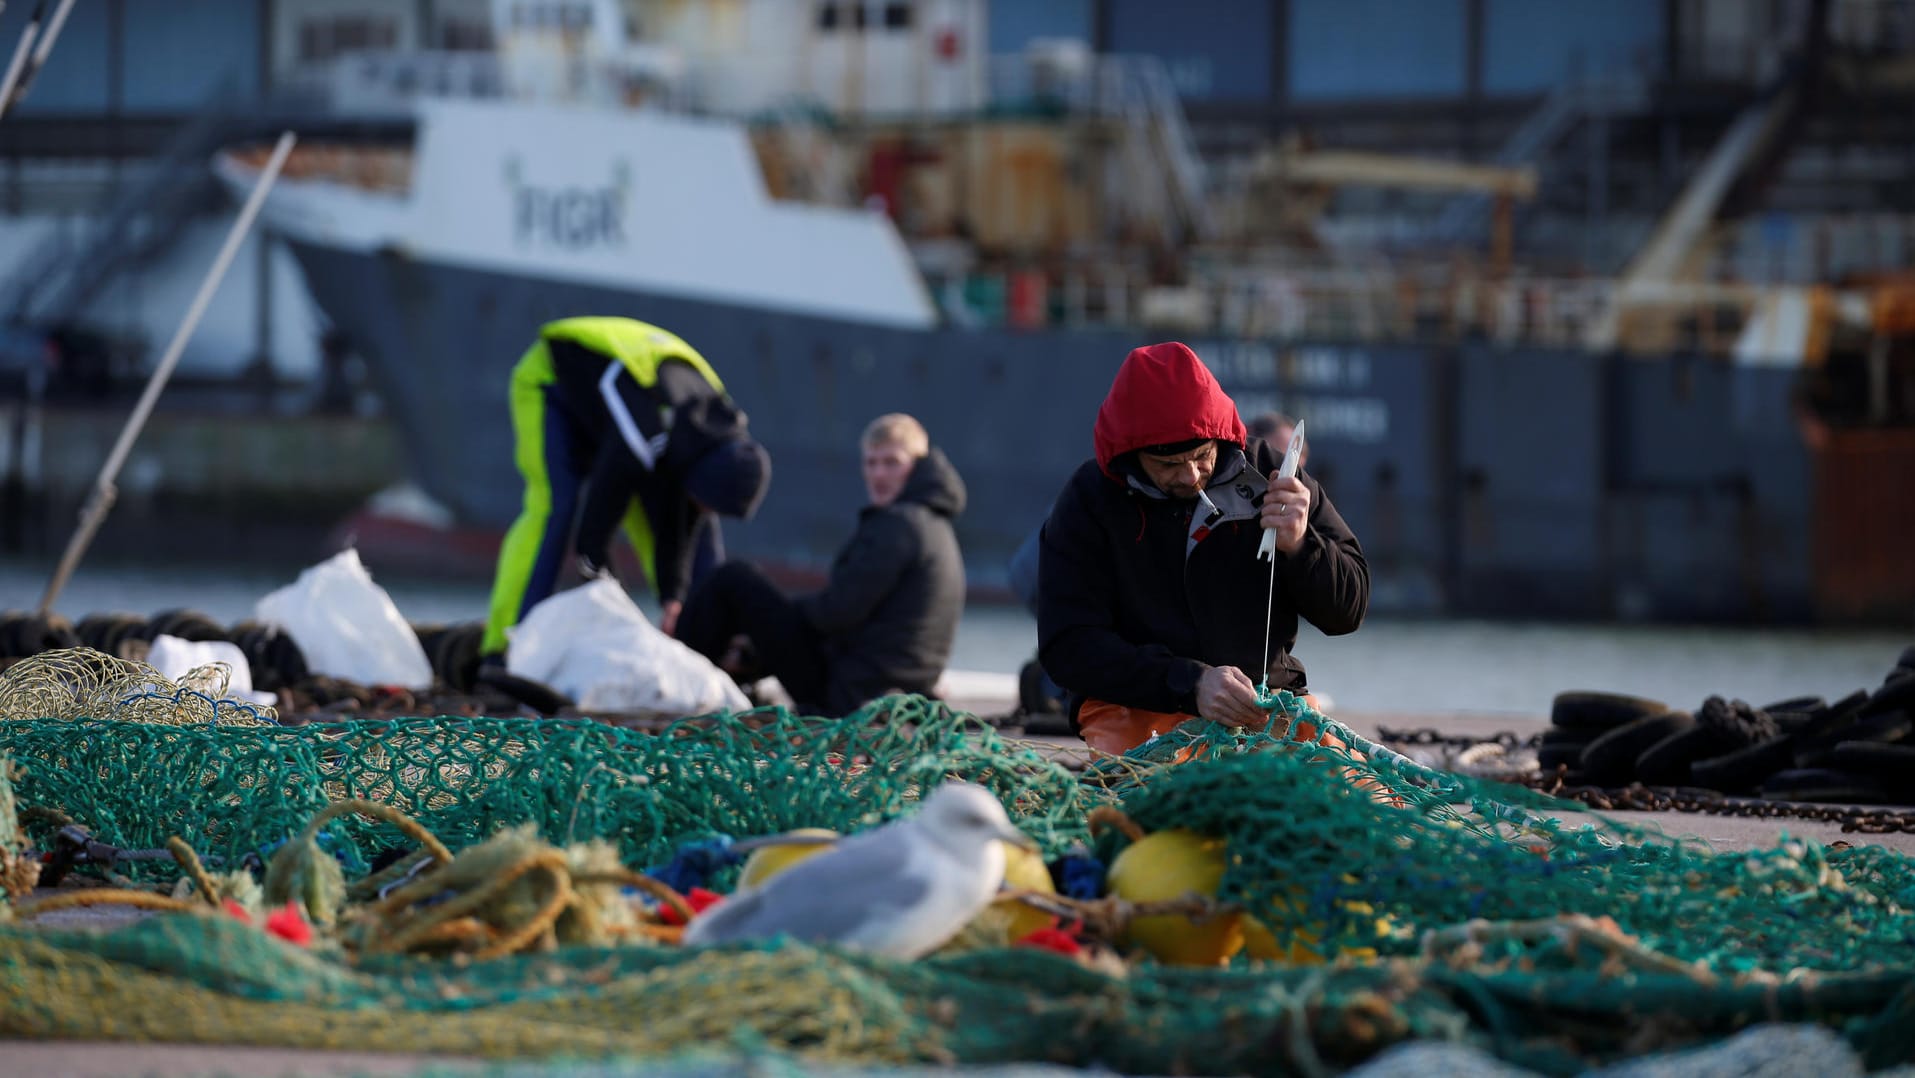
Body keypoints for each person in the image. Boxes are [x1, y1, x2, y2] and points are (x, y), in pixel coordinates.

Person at [1037, 342, 1369, 755]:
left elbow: (1348, 612)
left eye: (1201, 456)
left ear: (1221, 437)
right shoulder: (1090, 500)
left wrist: (1302, 545)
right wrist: (1190, 683)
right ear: (1131, 456)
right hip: (1136, 709)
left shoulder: (1272, 473)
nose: (1191, 474)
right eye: (1170, 465)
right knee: (1171, 814)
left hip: (1268, 707)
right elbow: (1068, 647)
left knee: (1354, 809)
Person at [481, 317, 771, 658]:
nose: (705, 510)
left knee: (695, 533)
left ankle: (707, 648)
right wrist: (610, 601)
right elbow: (592, 540)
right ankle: (505, 647)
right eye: (707, 501)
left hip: (626, 420)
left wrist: (673, 598)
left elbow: (681, 526)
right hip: (555, 384)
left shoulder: (707, 432)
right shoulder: (644, 436)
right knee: (555, 510)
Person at [676, 413, 967, 717]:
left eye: (892, 462)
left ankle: (680, 686)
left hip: (852, 693)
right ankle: (725, 676)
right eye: (871, 463)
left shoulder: (900, 525)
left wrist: (767, 633)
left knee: (735, 581)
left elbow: (838, 611)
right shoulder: (933, 525)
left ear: (917, 465)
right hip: (893, 689)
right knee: (755, 604)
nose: (878, 474)